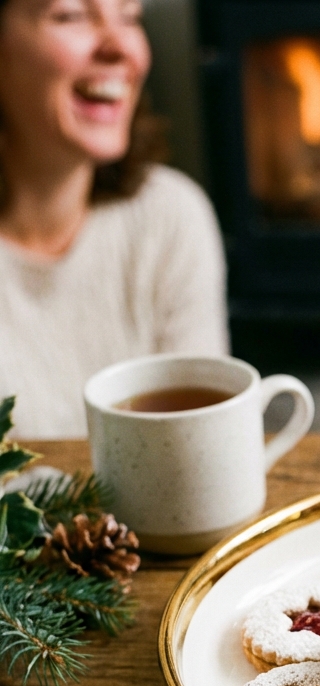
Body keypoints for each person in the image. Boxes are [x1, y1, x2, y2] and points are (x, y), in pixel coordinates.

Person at [0, 0, 227, 439]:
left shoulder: (171, 218)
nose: (121, 45)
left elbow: (199, 444)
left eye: (130, 17)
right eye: (70, 15)